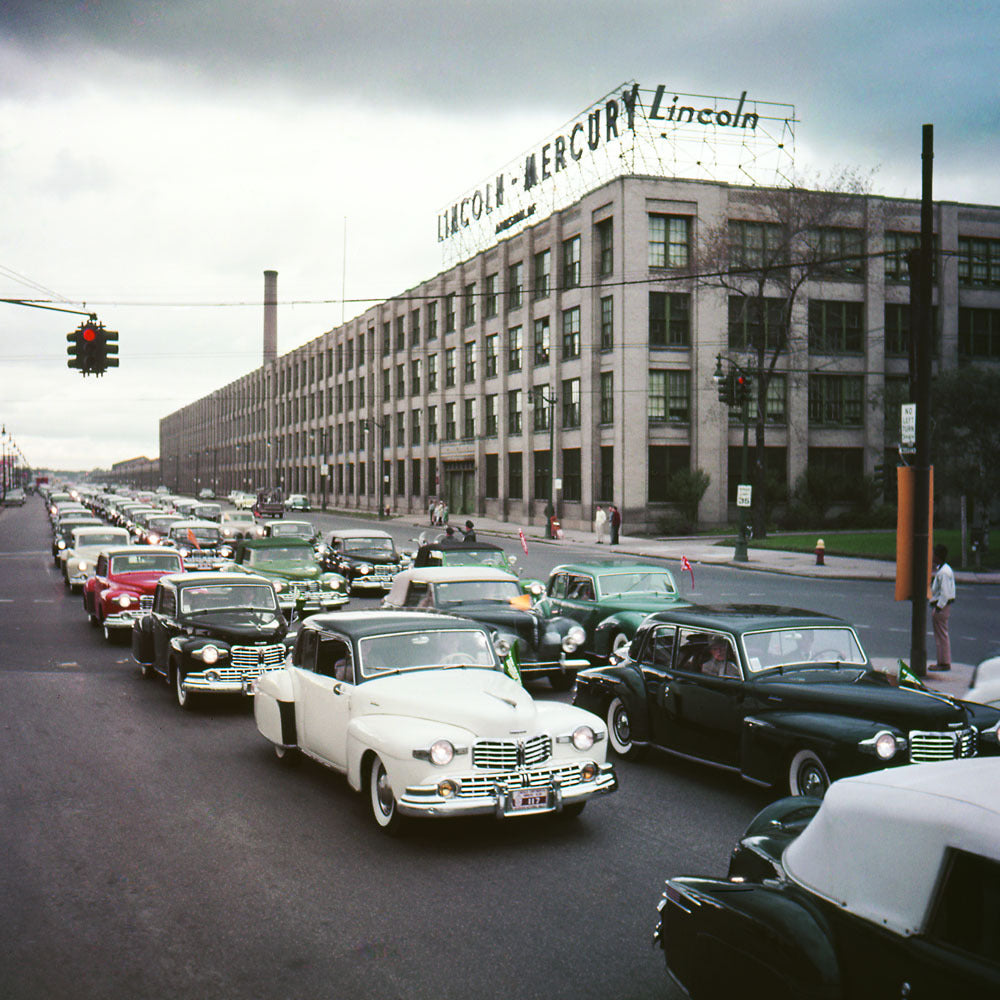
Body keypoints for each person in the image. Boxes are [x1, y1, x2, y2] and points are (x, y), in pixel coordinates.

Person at [929, 544, 956, 671]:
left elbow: (944, 593)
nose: (932, 556)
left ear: (938, 556)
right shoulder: (945, 569)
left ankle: (943, 663)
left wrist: (938, 607)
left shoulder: (943, 573)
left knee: (941, 636)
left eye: (934, 554)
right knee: (942, 635)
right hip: (943, 606)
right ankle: (943, 661)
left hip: (942, 607)